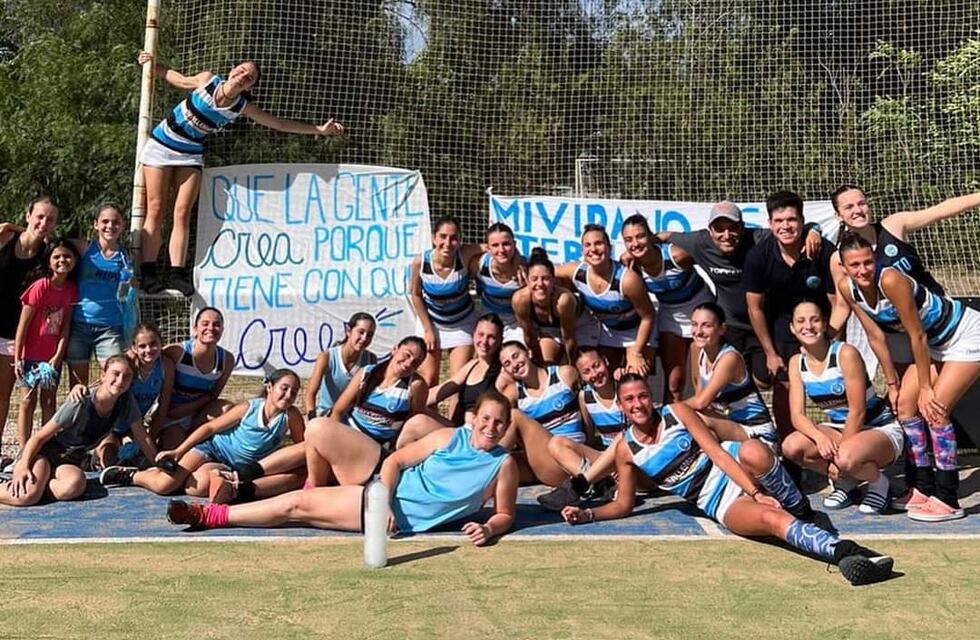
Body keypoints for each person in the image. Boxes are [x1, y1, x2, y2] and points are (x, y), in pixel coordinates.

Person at [559, 374, 895, 586]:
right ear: (621, 405)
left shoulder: (677, 412)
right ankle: (852, 555)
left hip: (735, 466)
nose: (638, 404)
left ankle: (799, 506)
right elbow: (623, 503)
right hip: (716, 500)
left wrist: (755, 490)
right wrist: (586, 514)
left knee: (754, 452)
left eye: (643, 396)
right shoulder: (625, 450)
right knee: (771, 519)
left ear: (652, 396)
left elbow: (718, 454)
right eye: (630, 399)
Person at [166, 390, 519, 547]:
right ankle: (208, 515)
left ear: (506, 427)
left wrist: (489, 529)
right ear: (474, 420)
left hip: (397, 521)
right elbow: (396, 460)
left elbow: (505, 514)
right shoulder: (449, 436)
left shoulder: (503, 465)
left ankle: (213, 513)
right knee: (297, 502)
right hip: (379, 498)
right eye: (486, 418)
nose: (491, 426)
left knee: (296, 508)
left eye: (499, 422)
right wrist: (384, 499)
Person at [136, 51, 345, 295]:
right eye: (242, 70)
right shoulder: (207, 81)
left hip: (190, 153)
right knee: (157, 208)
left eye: (250, 77)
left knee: (182, 213)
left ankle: (176, 274)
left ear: (251, 86)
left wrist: (319, 129)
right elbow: (178, 78)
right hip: (161, 146)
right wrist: (152, 64)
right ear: (233, 69)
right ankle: (148, 272)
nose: (243, 75)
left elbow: (278, 123)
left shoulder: (241, 106)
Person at [828, 185, 980, 502]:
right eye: (848, 206)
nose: (857, 210)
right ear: (838, 215)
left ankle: (946, 496)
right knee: (905, 408)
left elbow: (943, 208)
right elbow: (850, 315)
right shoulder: (840, 265)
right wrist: (812, 342)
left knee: (933, 407)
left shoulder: (892, 229)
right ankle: (920, 485)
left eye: (861, 203)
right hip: (904, 338)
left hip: (938, 329)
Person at [99, 369, 304, 497]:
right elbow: (210, 428)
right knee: (164, 486)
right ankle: (133, 475)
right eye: (283, 388)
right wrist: (178, 451)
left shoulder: (292, 417)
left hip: (232, 466)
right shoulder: (249, 408)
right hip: (211, 449)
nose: (288, 395)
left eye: (293, 392)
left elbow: (300, 448)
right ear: (269, 387)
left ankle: (180, 475)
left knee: (197, 487)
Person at [781, 301, 904, 515]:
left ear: (825, 323)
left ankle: (879, 484)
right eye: (800, 321)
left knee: (845, 458)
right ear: (792, 328)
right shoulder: (795, 362)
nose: (808, 326)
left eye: (815, 319)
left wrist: (840, 461)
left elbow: (858, 412)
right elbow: (797, 415)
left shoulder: (845, 353)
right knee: (791, 446)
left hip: (878, 427)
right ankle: (847, 484)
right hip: (838, 427)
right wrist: (820, 439)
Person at [743, 191, 838, 441]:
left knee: (837, 387)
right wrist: (770, 353)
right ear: (770, 224)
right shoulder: (758, 257)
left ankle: (844, 446)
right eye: (779, 220)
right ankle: (791, 455)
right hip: (782, 331)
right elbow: (755, 307)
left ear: (802, 221)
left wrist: (834, 336)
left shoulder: (822, 250)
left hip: (820, 329)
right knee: (785, 390)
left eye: (791, 220)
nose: (786, 226)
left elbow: (837, 301)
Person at [0, 355, 155, 507]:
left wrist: (158, 463)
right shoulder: (80, 401)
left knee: (75, 486)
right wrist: (23, 465)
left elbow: (142, 436)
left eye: (126, 377)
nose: (120, 380)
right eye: (115, 374)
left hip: (70, 460)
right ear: (103, 375)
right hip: (44, 453)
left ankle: (38, 486)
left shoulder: (126, 401)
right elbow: (39, 437)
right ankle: (27, 487)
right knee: (27, 497)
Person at [621, 214, 714, 402]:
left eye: (640, 236)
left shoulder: (677, 255)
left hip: (700, 315)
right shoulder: (632, 266)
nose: (635, 244)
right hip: (670, 317)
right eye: (628, 240)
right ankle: (671, 427)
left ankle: (706, 425)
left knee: (701, 381)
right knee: (674, 383)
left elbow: (705, 247)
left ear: (650, 236)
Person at [0, 196, 60, 459]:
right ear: (28, 215)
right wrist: (14, 228)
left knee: (4, 397)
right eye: (40, 216)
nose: (44, 223)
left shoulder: (47, 254)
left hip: (16, 336)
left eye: (50, 219)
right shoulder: (4, 238)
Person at [556, 224, 656, 374]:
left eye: (598, 243)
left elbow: (648, 316)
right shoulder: (576, 272)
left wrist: (637, 352)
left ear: (609, 248)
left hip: (638, 331)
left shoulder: (628, 280)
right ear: (582, 251)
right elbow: (545, 272)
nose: (593, 249)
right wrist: (520, 268)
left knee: (634, 380)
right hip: (609, 332)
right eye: (587, 245)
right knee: (602, 377)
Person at [536, 347, 624, 510]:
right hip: (608, 465)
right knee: (556, 443)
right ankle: (600, 483)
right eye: (587, 371)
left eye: (596, 365)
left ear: (606, 361)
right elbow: (589, 438)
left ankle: (580, 485)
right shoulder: (586, 397)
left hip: (631, 460)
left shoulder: (625, 386)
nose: (594, 373)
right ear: (581, 376)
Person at [683, 302, 777, 448]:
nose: (698, 331)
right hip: (731, 425)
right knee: (697, 426)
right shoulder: (697, 349)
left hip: (756, 432)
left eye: (706, 325)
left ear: (722, 329)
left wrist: (667, 410)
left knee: (695, 417)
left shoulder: (729, 358)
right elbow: (699, 398)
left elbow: (701, 402)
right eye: (694, 324)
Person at [13, 240, 79, 449]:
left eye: (67, 256)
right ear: (49, 261)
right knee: (27, 402)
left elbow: (65, 326)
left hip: (51, 358)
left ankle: (45, 447)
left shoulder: (71, 290)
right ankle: (24, 450)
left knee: (49, 401)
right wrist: (18, 358)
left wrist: (58, 356)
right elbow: (23, 325)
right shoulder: (41, 286)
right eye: (57, 257)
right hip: (30, 355)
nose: (62, 261)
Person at [63, 203, 135, 388]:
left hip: (110, 328)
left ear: (123, 225)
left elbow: (129, 291)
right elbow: (47, 238)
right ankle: (80, 417)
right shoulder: (84, 248)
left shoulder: (126, 256)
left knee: (112, 383)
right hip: (80, 325)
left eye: (115, 222)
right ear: (96, 224)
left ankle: (102, 415)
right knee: (77, 387)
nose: (110, 226)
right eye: (105, 221)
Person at [408, 216, 483, 386]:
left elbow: (496, 249)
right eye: (443, 236)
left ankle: (455, 413)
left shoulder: (464, 255)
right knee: (428, 381)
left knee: (457, 384)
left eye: (454, 238)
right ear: (434, 238)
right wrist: (427, 329)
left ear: (460, 240)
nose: (448, 243)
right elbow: (415, 294)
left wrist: (519, 263)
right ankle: (426, 413)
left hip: (462, 323)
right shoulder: (420, 262)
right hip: (431, 323)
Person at [158, 307, 235, 450]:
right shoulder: (177, 352)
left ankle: (216, 447)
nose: (211, 328)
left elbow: (213, 395)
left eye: (216, 324)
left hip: (198, 414)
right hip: (172, 415)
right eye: (205, 324)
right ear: (195, 329)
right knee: (175, 455)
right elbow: (147, 357)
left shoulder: (227, 360)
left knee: (228, 409)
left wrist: (190, 409)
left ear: (222, 330)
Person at [512, 247, 598, 365]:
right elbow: (529, 335)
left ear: (553, 280)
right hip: (551, 329)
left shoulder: (563, 300)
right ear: (527, 281)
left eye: (545, 279)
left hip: (580, 326)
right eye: (534, 279)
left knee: (584, 365)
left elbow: (569, 338)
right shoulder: (520, 300)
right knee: (548, 365)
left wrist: (572, 365)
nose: (540, 284)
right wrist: (540, 364)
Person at [423, 312, 503, 427]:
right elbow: (440, 391)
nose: (484, 342)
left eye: (491, 337)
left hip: (483, 432)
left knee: (417, 424)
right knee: (418, 416)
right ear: (473, 334)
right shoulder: (472, 365)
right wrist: (411, 400)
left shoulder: (502, 370)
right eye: (481, 335)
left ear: (500, 340)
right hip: (461, 431)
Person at [304, 312, 378, 419]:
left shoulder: (371, 360)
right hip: (327, 416)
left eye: (369, 335)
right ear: (348, 331)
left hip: (354, 418)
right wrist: (312, 418)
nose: (364, 338)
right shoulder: (327, 357)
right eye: (361, 332)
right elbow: (310, 393)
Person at [471, 223, 525, 341]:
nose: (501, 250)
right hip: (488, 321)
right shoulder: (479, 265)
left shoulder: (526, 268)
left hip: (517, 324)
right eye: (495, 245)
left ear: (514, 245)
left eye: (506, 244)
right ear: (488, 248)